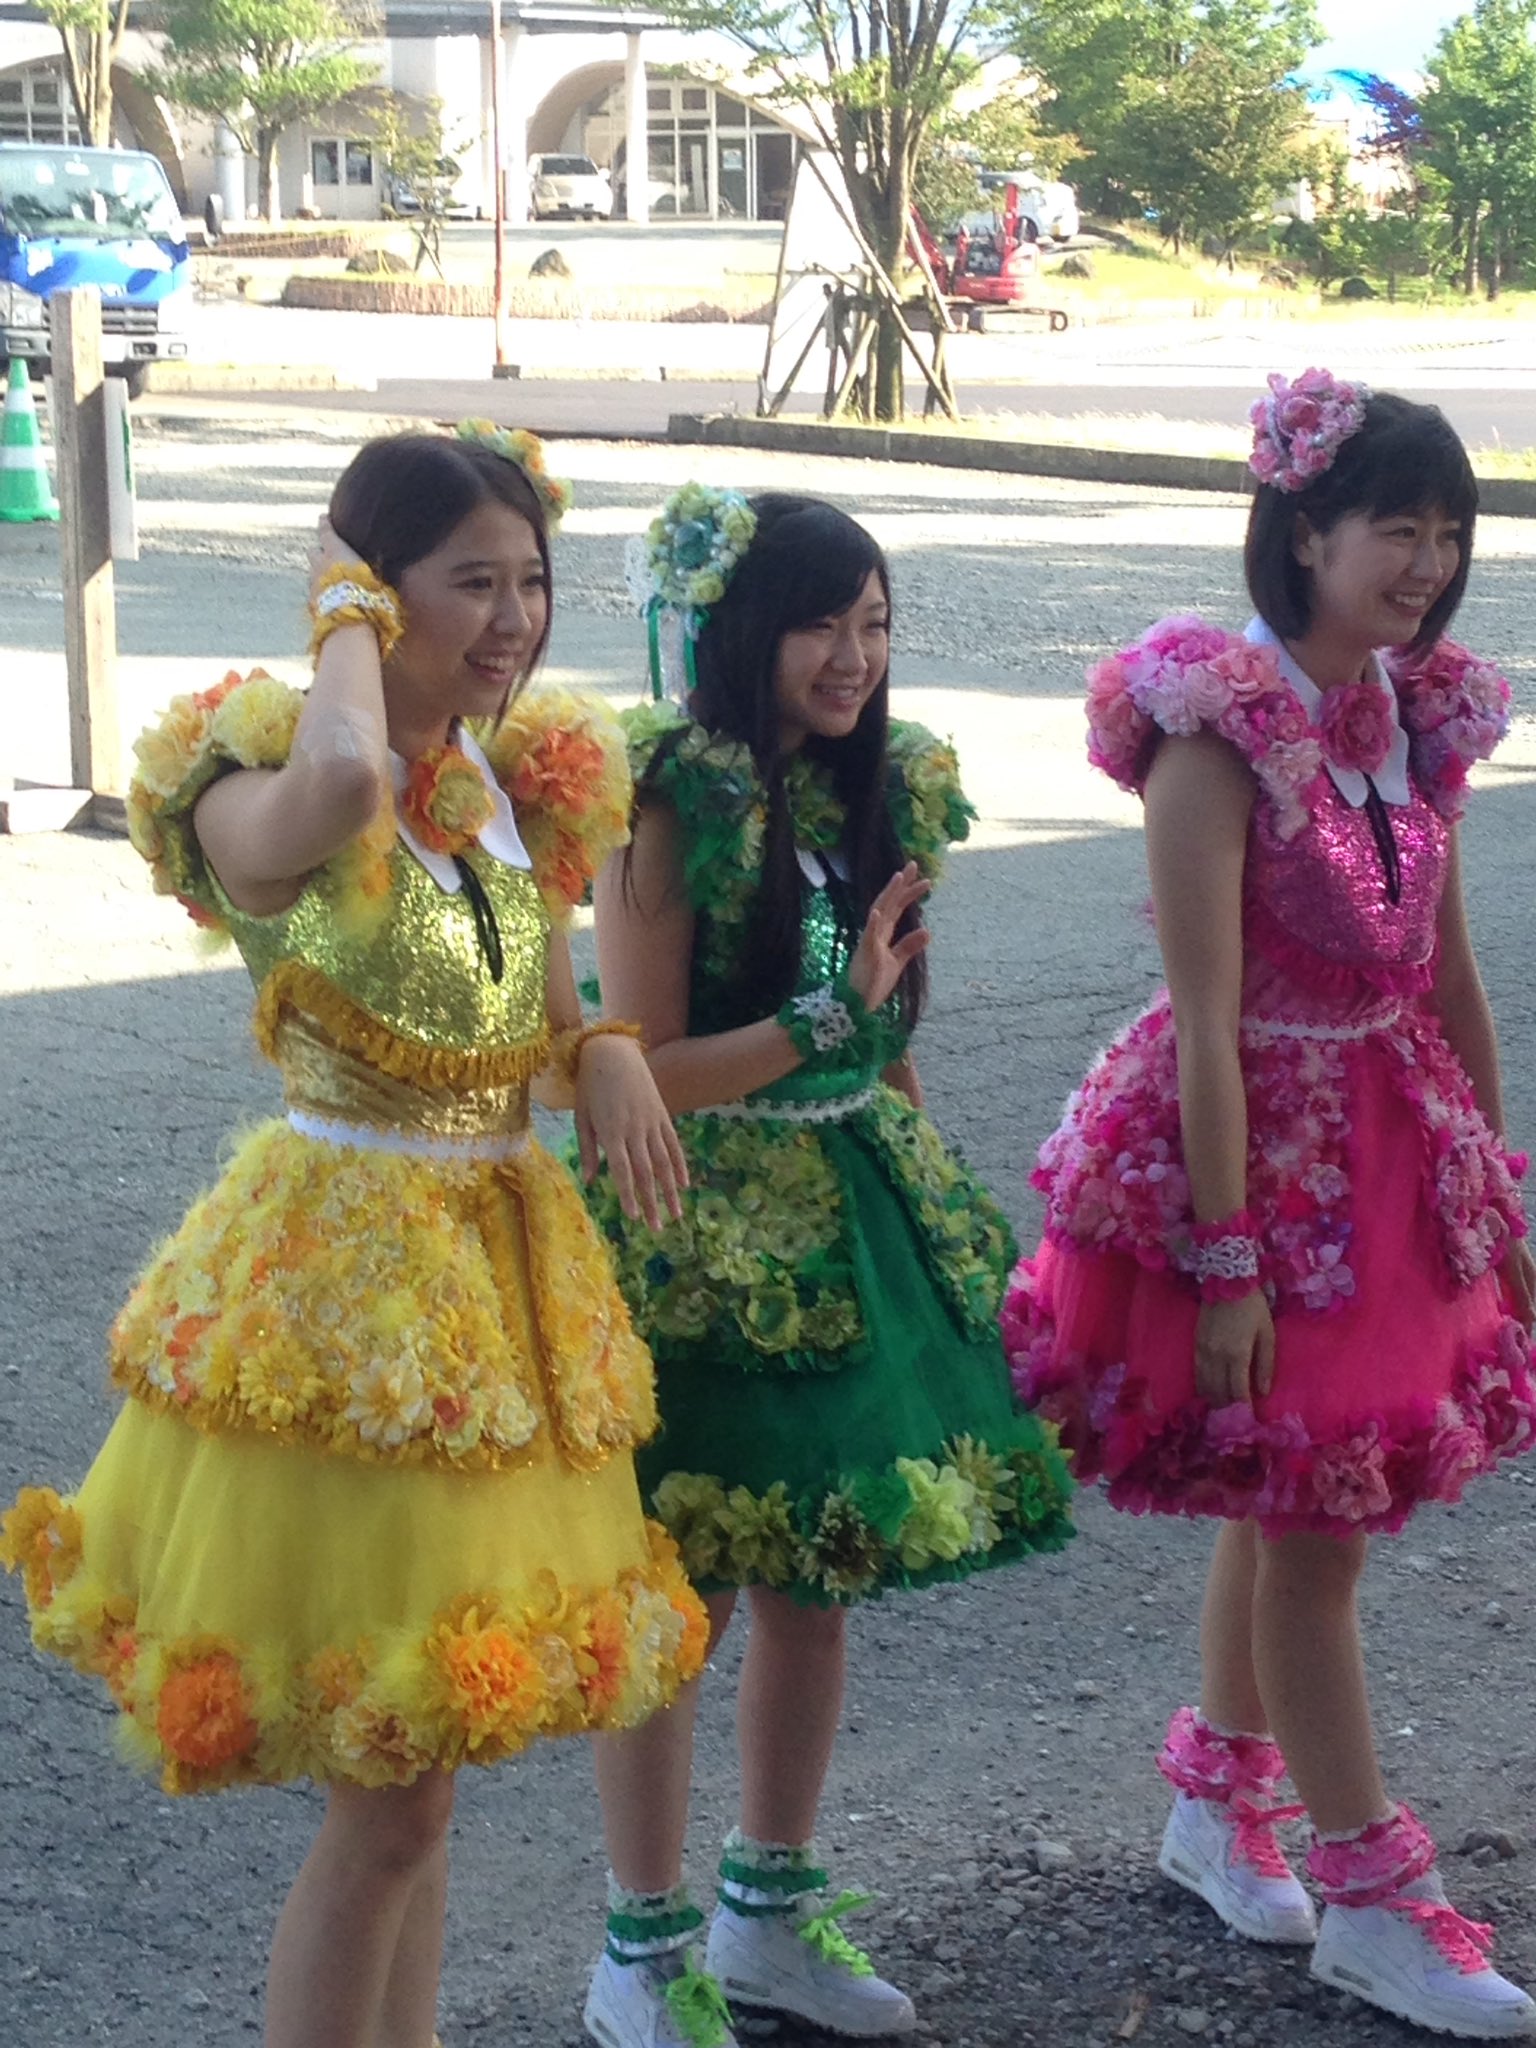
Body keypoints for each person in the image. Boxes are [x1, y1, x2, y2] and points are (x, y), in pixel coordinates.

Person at [1, 423, 709, 2048]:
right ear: (374, 593)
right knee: (390, 1796)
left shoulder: (509, 788)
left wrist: (603, 1056)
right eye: (472, 583)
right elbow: (344, 782)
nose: (515, 620)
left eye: (531, 580)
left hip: (495, 1305)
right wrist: (335, 610)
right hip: (345, 1324)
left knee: (424, 1778)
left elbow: (544, 1022)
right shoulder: (249, 784)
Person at [1004, 370, 1536, 2040]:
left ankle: (1218, 1806)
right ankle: (1372, 1900)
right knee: (1314, 1535)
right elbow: (1208, 1020)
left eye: (1448, 535)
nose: (1428, 567)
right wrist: (1227, 1263)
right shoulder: (1212, 727)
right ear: (1303, 532)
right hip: (1249, 1167)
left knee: (1302, 1506)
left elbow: (1451, 978)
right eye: (1398, 530)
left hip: (1393, 1152)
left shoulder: (1416, 717)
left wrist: (1495, 1192)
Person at [578, 486, 1075, 2048]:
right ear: (737, 629)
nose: (854, 656)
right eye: (818, 622)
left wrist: (935, 1194)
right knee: (684, 1598)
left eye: (875, 623)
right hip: (696, 1228)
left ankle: (769, 1914)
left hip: (853, 1206)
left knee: (818, 1579)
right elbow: (638, 1067)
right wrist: (824, 1024)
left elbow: (887, 1034)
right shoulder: (671, 803)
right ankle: (640, 1950)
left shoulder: (881, 785)